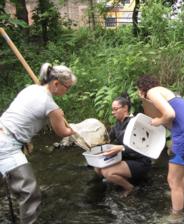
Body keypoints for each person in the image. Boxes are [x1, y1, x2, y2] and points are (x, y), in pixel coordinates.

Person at [0, 63, 77, 224]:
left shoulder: (31, 89)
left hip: (4, 133)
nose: (68, 91)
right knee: (30, 192)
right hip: (7, 146)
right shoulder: (51, 106)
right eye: (67, 87)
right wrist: (76, 129)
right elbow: (63, 132)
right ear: (56, 83)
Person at [136, 75, 184, 219]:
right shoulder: (167, 92)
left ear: (142, 89)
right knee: (179, 175)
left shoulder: (152, 92)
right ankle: (182, 196)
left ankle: (176, 217)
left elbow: (170, 114)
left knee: (173, 180)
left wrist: (157, 121)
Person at [94, 93, 152, 197]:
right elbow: (106, 141)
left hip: (140, 161)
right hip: (126, 158)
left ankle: (130, 188)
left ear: (125, 108)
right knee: (97, 167)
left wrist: (121, 148)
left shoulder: (135, 123)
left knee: (108, 173)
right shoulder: (117, 124)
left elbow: (142, 147)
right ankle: (121, 178)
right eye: (112, 109)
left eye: (115, 109)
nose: (113, 112)